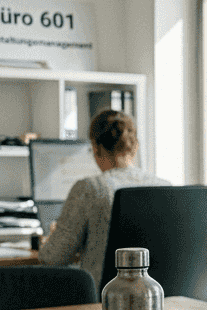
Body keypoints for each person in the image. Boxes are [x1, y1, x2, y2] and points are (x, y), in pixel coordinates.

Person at [37, 109, 170, 285]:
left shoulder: (91, 188)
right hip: (158, 299)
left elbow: (52, 257)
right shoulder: (165, 187)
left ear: (95, 148)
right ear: (135, 146)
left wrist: (56, 235)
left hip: (106, 299)